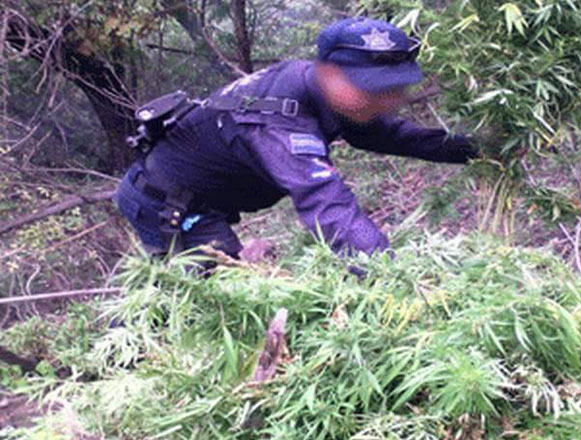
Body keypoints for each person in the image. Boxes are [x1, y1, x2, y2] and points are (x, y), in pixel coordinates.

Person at [115, 17, 479, 264]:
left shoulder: (326, 89)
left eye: (392, 90)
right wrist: (390, 274)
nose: (388, 101)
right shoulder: (280, 121)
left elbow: (389, 134)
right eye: (375, 91)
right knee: (209, 296)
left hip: (198, 196)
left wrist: (476, 151)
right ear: (332, 76)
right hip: (167, 204)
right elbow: (328, 207)